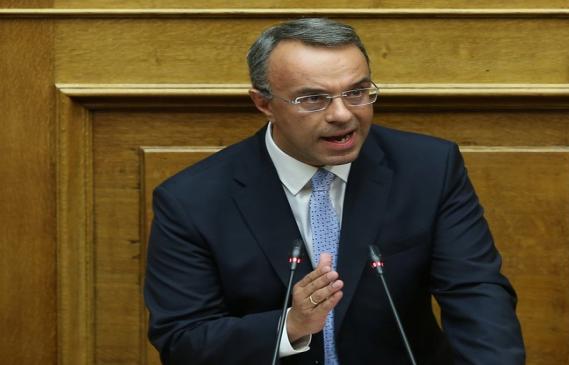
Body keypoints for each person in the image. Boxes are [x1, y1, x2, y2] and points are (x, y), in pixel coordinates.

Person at [144, 18, 525, 364]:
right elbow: (183, 340)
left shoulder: (428, 169)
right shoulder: (193, 201)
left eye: (357, 93)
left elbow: (477, 295)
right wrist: (290, 325)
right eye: (313, 99)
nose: (342, 114)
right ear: (263, 103)